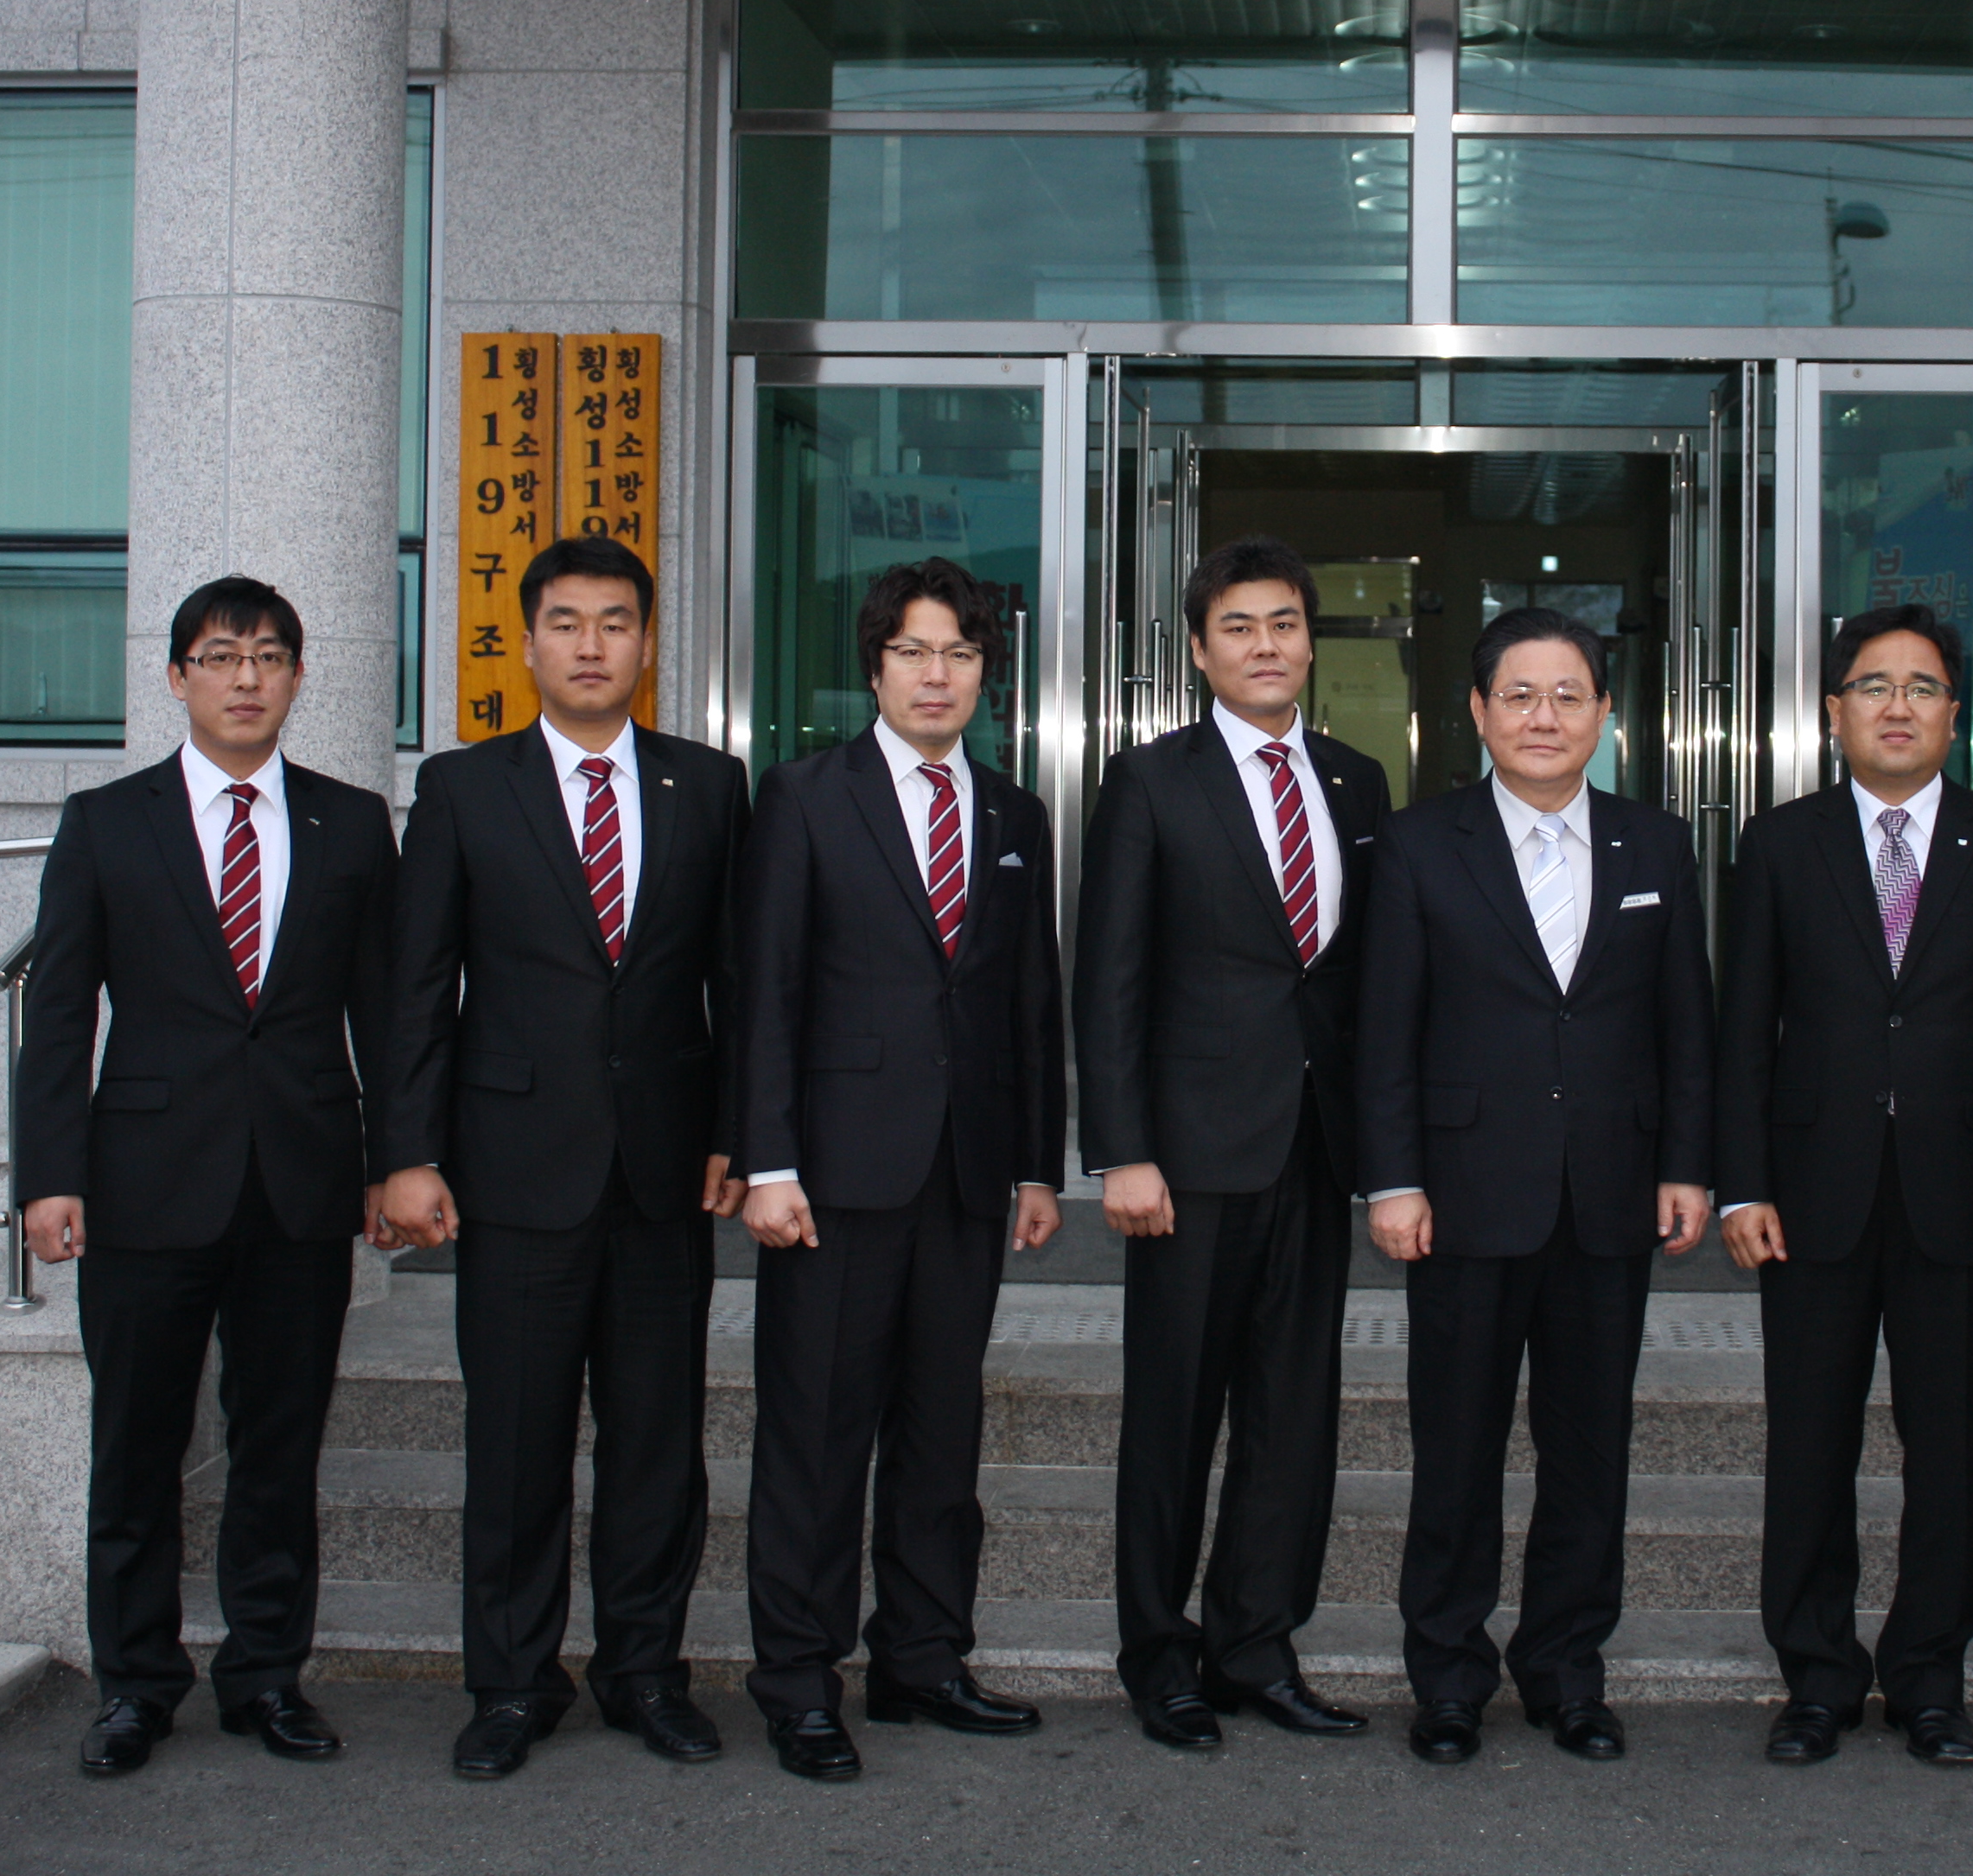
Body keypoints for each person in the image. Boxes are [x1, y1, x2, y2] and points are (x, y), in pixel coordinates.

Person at [378, 535, 754, 1782]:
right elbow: (418, 987)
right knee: (517, 1443)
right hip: (514, 1171)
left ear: (647, 643)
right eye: (567, 623)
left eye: (615, 622)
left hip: (663, 1175)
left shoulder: (710, 786)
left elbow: (740, 982)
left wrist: (738, 1134)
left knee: (657, 1445)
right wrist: (408, 1153)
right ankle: (511, 1683)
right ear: (528, 642)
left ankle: (645, 1673)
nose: (592, 646)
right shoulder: (463, 789)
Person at [17, 576, 395, 1780]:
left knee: (279, 1448)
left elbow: (386, 1014)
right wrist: (49, 1175)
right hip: (144, 1184)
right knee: (136, 1450)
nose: (247, 677)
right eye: (222, 656)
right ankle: (134, 1686)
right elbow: (59, 1012)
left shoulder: (351, 824)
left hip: (300, 1183)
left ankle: (266, 1676)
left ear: (298, 677)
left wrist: (396, 1162)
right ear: (178, 675)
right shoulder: (105, 823)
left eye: (270, 656)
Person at [1716, 602, 1973, 1771]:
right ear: (1835, 712)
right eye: (1874, 686)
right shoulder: (1781, 843)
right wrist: (1740, 1187)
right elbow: (1742, 1030)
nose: (1898, 706)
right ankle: (1816, 1679)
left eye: (1922, 687)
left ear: (1954, 714)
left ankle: (1930, 1678)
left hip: (1963, 1195)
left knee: (1950, 1449)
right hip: (1811, 1195)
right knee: (1807, 1448)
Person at [1358, 607, 1715, 1768]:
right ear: (1478, 711)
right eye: (1519, 695)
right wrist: (1393, 1180)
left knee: (1589, 1453)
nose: (1544, 717)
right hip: (1463, 1196)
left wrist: (1688, 1164)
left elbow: (1687, 1022)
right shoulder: (1420, 844)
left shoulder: (1657, 844)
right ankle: (1449, 1677)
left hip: (1611, 1193)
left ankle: (1568, 1672)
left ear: (1605, 713)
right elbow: (1385, 1029)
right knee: (1455, 1451)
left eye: (1568, 695)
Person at [734, 557, 1066, 1784]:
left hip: (966, 1175)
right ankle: (797, 1680)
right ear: (874, 667)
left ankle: (923, 1659)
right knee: (817, 1437)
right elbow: (766, 989)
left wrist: (1038, 1165)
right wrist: (767, 1161)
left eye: (961, 655)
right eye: (914, 652)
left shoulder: (1015, 814)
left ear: (986, 674)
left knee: (941, 1432)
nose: (938, 675)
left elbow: (1030, 1001)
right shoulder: (805, 796)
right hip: (833, 1174)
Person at [1078, 537, 1392, 1752]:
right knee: (1173, 1417)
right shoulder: (1150, 780)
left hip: (1315, 1148)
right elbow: (1110, 975)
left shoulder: (1358, 781)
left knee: (1293, 1416)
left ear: (1312, 640)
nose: (1266, 645)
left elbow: (1360, 977)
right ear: (1201, 652)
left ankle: (1257, 1647)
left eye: (1284, 623)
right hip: (1189, 1159)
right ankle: (1160, 1659)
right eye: (1239, 628)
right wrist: (1123, 1149)